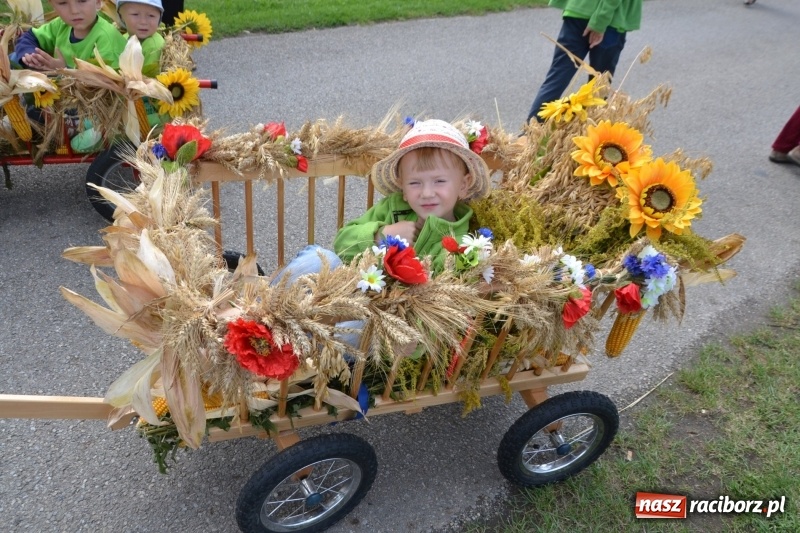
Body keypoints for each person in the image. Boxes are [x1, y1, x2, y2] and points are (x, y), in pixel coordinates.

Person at [274, 119, 492, 351]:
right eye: (415, 183)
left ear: (464, 185)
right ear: (402, 187)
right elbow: (342, 241)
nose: (427, 193)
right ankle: (262, 312)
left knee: (361, 332)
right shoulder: (391, 208)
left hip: (381, 315)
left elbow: (440, 313)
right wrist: (380, 234)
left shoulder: (461, 247)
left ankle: (293, 348)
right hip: (347, 285)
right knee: (319, 258)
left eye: (439, 181)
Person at [525, 0, 643, 125]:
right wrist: (600, 21)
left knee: (557, 78)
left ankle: (530, 134)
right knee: (599, 86)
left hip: (579, 10)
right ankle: (589, 136)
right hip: (611, 19)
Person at [70, 0, 167, 152]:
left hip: (146, 106)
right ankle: (96, 124)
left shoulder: (154, 45)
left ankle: (107, 136)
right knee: (91, 118)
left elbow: (139, 81)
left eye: (151, 16)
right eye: (135, 14)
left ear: (159, 18)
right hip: (124, 101)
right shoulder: (127, 37)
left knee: (86, 137)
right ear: (121, 16)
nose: (143, 22)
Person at [10, 0, 127, 70]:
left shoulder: (107, 42)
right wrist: (32, 55)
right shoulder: (61, 25)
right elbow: (30, 37)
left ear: (98, 2)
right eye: (63, 2)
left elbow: (105, 90)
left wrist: (63, 70)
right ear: (53, 5)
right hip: (63, 87)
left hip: (94, 102)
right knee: (15, 57)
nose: (74, 10)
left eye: (82, 0)